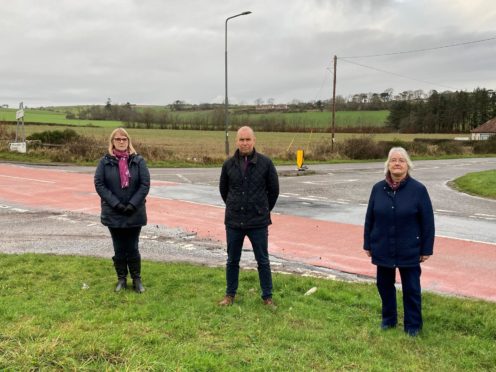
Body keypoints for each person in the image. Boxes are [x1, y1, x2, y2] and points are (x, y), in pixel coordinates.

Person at [363, 147, 435, 336]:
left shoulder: (418, 190)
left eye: (401, 160)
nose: (397, 163)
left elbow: (427, 221)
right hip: (383, 246)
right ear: (387, 164)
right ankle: (389, 320)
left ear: (407, 165)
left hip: (409, 247)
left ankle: (413, 326)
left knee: (411, 288)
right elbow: (370, 217)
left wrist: (426, 248)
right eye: (393, 160)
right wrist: (368, 244)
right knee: (384, 286)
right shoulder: (378, 188)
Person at [218, 126, 280, 306]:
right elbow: (224, 191)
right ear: (237, 141)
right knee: (232, 260)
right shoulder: (228, 165)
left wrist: (263, 209)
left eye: (248, 139)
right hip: (234, 221)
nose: (244, 143)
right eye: (241, 140)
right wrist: (234, 206)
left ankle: (267, 297)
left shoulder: (266, 164)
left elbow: (274, 191)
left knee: (263, 260)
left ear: (254, 141)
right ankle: (230, 295)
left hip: (258, 222)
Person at [94, 128, 150, 293]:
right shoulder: (104, 162)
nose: (121, 142)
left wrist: (132, 204)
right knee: (119, 248)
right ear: (112, 141)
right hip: (114, 212)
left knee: (132, 247)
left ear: (128, 141)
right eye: (117, 139)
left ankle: (136, 279)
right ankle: (121, 279)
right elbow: (99, 184)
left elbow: (144, 184)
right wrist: (116, 204)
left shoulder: (138, 161)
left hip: (134, 211)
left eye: (124, 139)